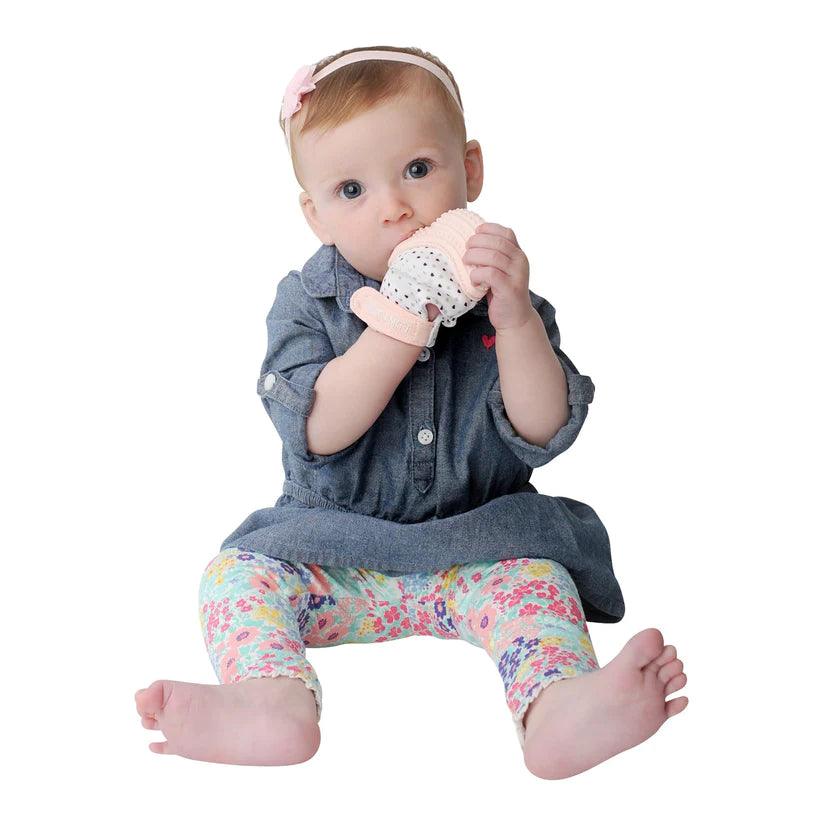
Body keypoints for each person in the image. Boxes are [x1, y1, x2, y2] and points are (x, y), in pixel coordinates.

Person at [134, 45, 688, 779]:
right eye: (351, 189)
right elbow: (318, 430)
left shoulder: (508, 300)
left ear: (471, 171)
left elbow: (541, 430)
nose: (393, 206)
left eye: (418, 170)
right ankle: (271, 699)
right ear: (315, 215)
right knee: (234, 577)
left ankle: (557, 709)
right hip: (335, 554)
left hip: (483, 547)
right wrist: (401, 322)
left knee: (539, 583)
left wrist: (516, 322)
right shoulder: (306, 303)